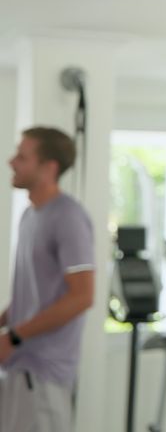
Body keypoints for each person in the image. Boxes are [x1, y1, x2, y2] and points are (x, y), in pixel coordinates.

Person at [0, 127, 95, 432]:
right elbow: (33, 293)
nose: (11, 162)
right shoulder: (30, 215)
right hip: (19, 365)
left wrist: (13, 336)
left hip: (44, 372)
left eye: (22, 156)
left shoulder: (68, 217)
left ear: (49, 167)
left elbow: (82, 296)